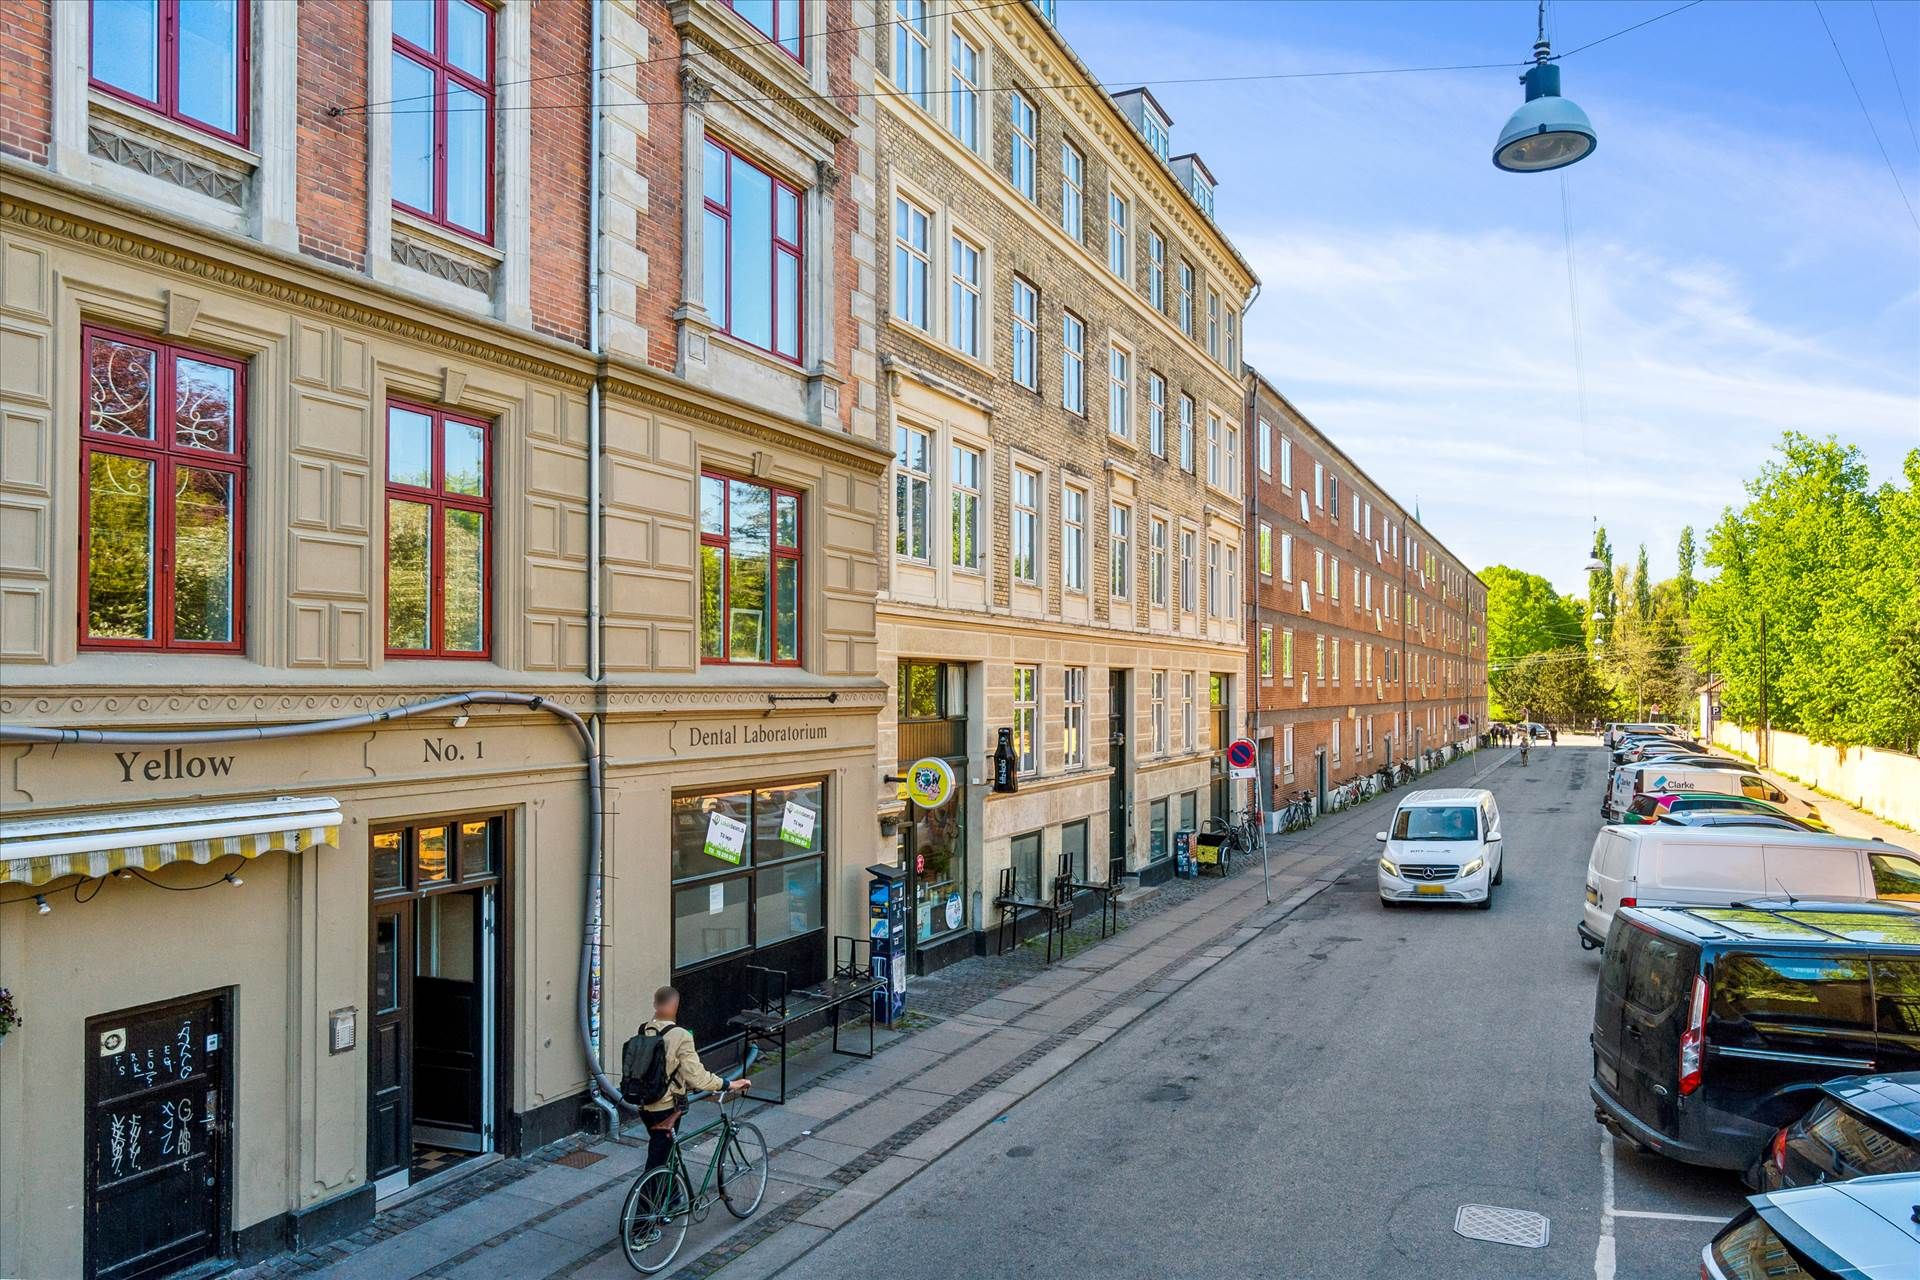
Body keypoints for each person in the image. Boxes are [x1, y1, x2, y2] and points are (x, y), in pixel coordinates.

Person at [636, 986, 750, 1217]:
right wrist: (729, 1084)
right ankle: (642, 1224)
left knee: (666, 1153)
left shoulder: (644, 1029)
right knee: (657, 1163)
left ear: (655, 1004)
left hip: (645, 1105)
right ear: (675, 1006)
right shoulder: (680, 1035)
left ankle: (672, 1199)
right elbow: (696, 1076)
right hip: (667, 1108)